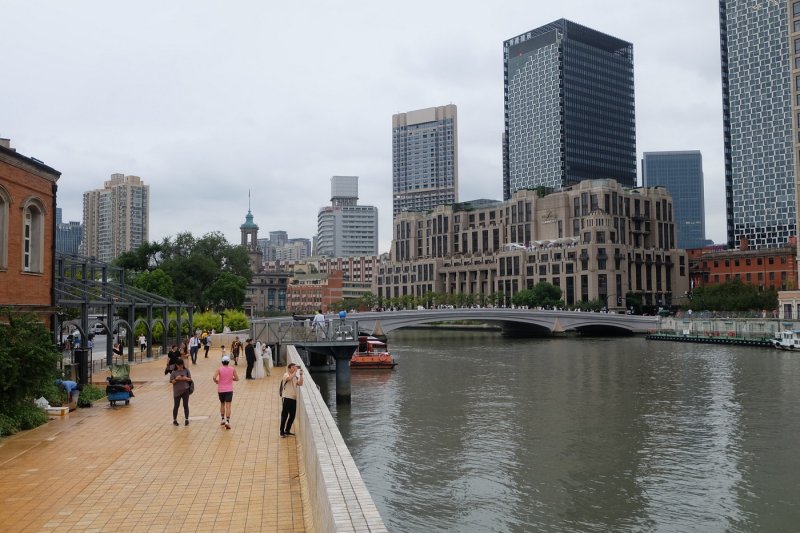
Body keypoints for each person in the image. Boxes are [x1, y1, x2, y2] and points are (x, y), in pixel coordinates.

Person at [213, 355, 239, 429]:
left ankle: (222, 419)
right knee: (228, 406)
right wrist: (231, 378)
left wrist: (216, 381)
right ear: (228, 362)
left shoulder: (219, 369)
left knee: (222, 404)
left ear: (222, 362)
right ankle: (227, 421)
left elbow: (214, 377)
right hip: (229, 390)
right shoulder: (232, 369)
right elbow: (237, 378)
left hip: (221, 389)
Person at [280, 363, 304, 437]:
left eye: (295, 367)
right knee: (284, 415)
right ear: (289, 368)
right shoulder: (286, 374)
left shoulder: (295, 377)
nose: (294, 369)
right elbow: (289, 379)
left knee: (292, 416)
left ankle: (287, 430)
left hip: (293, 398)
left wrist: (301, 375)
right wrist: (295, 372)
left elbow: (300, 383)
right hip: (287, 397)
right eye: (293, 367)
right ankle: (282, 432)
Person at [169, 358, 192, 426]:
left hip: (185, 390)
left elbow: (190, 379)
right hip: (177, 391)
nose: (180, 367)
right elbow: (171, 381)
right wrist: (176, 379)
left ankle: (186, 419)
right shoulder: (174, 372)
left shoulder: (186, 370)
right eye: (179, 366)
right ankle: (175, 420)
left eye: (182, 365)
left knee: (185, 405)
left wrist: (185, 378)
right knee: (176, 406)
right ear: (176, 365)